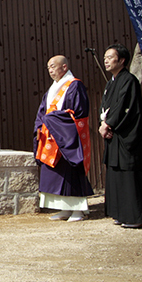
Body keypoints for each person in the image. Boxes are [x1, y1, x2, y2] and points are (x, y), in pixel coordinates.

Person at [99, 44, 142, 228]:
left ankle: (137, 217)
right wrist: (103, 123)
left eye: (110, 57)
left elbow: (126, 107)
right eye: (105, 57)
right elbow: (106, 107)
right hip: (113, 134)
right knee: (116, 174)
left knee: (130, 174)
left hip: (127, 135)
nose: (106, 60)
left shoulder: (129, 80)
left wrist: (109, 124)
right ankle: (121, 213)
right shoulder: (111, 83)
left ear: (122, 60)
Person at [33, 55, 93, 222]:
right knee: (55, 174)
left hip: (67, 136)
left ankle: (78, 210)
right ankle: (63, 208)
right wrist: (41, 125)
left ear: (64, 67)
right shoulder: (52, 89)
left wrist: (54, 122)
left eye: (53, 66)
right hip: (51, 136)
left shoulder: (74, 85)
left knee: (70, 171)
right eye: (49, 68)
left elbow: (79, 113)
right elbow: (43, 112)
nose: (51, 70)